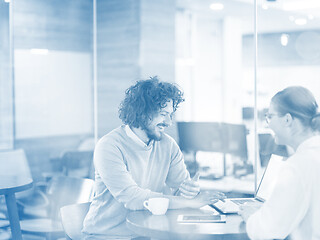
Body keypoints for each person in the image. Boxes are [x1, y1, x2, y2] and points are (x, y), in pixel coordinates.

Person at [82, 77, 224, 239]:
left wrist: (189, 192)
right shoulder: (109, 146)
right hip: (106, 235)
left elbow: (179, 194)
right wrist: (191, 202)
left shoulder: (168, 145)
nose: (169, 122)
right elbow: (133, 198)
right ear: (142, 112)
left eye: (170, 115)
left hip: (146, 233)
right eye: (163, 114)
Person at [239, 86, 320, 240]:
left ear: (287, 120)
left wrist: (252, 216)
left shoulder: (298, 165)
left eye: (269, 116)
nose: (268, 123)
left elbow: (266, 230)